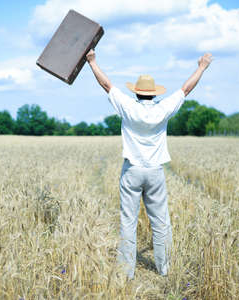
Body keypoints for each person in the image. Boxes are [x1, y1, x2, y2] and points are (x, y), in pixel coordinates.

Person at [86, 49, 212, 279]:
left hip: (132, 171)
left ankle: (127, 272)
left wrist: (92, 62)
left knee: (128, 221)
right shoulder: (163, 109)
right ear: (153, 94)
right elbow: (186, 89)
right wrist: (202, 67)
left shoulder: (128, 106)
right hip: (155, 172)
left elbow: (106, 85)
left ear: (137, 93)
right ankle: (164, 268)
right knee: (161, 222)